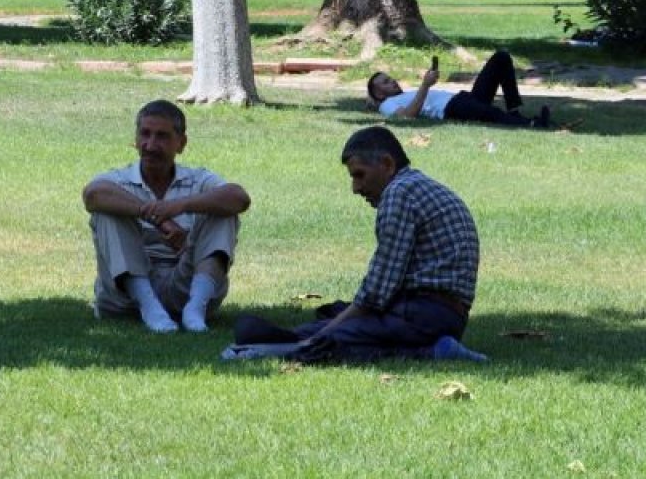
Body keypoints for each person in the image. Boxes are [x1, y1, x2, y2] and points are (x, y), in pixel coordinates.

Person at [220, 126, 487, 363]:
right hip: (437, 313)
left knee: (331, 342)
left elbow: (376, 293)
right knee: (332, 323)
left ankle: (436, 352)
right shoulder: (417, 186)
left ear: (387, 163)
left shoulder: (399, 194)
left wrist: (325, 333)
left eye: (360, 175)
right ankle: (277, 340)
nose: (355, 188)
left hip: (424, 315)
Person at [82, 100, 250, 333]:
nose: (150, 145)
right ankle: (150, 308)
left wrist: (179, 206)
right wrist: (157, 218)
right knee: (108, 213)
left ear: (181, 144)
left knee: (223, 211)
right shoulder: (119, 180)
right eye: (145, 134)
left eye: (162, 136)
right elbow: (92, 194)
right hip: (126, 298)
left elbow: (239, 197)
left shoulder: (198, 179)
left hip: (185, 284)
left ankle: (195, 309)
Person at [367, 50, 550, 128]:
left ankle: (514, 111)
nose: (393, 82)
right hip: (452, 108)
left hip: (463, 98)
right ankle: (532, 124)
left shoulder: (405, 94)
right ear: (378, 93)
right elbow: (407, 117)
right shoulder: (387, 105)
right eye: (385, 83)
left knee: (501, 58)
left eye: (391, 79)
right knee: (490, 114)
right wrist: (425, 85)